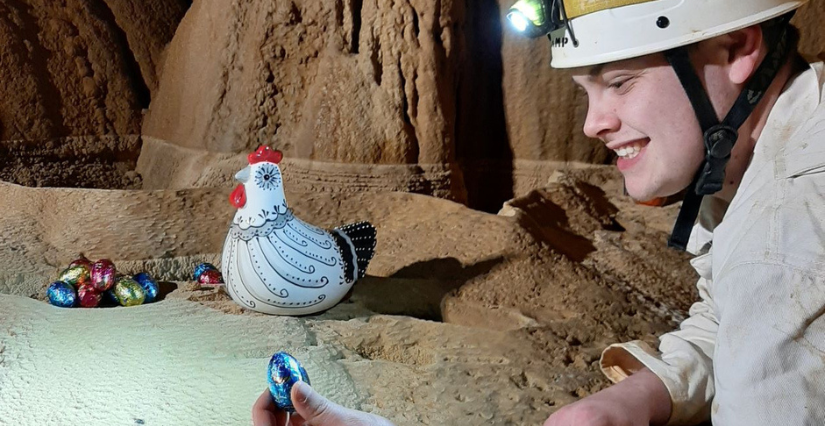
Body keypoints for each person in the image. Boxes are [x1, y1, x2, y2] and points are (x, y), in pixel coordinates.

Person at [254, 0, 825, 424]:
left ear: (737, 50)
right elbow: (736, 320)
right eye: (585, 91)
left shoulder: (788, 234)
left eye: (620, 83)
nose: (592, 124)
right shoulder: (769, 151)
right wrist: (633, 397)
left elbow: (769, 292)